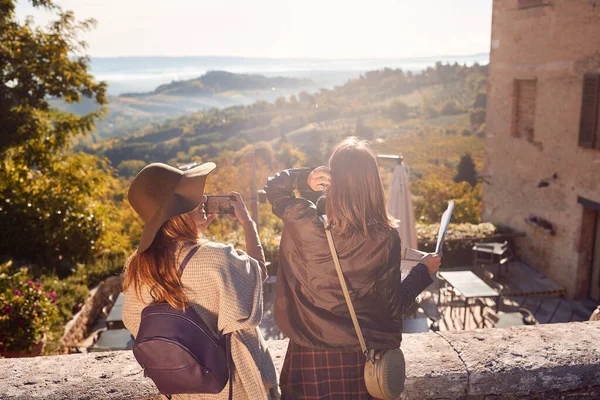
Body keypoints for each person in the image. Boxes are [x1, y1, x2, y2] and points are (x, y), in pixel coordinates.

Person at [264, 137, 441, 399]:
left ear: (333, 177)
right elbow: (393, 305)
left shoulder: (303, 223)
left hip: (308, 355)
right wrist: (423, 272)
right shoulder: (384, 238)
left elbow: (274, 189)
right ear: (372, 183)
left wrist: (305, 178)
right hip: (361, 358)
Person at [121, 162, 278, 400]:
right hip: (234, 385)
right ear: (178, 210)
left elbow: (135, 322)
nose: (203, 197)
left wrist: (193, 234)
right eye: (192, 195)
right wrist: (248, 225)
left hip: (185, 388)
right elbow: (257, 276)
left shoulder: (136, 267)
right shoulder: (216, 258)